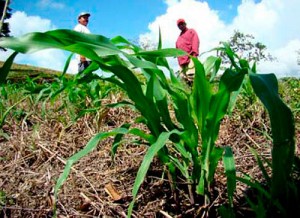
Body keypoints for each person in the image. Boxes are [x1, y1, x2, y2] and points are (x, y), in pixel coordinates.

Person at [175, 18, 200, 85]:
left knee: (191, 75)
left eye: (182, 24)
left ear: (185, 24)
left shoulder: (191, 31)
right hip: (182, 60)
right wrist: (179, 61)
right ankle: (190, 90)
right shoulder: (179, 38)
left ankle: (195, 91)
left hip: (190, 56)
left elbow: (195, 41)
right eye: (179, 25)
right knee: (183, 77)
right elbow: (177, 50)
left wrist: (195, 54)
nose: (181, 26)